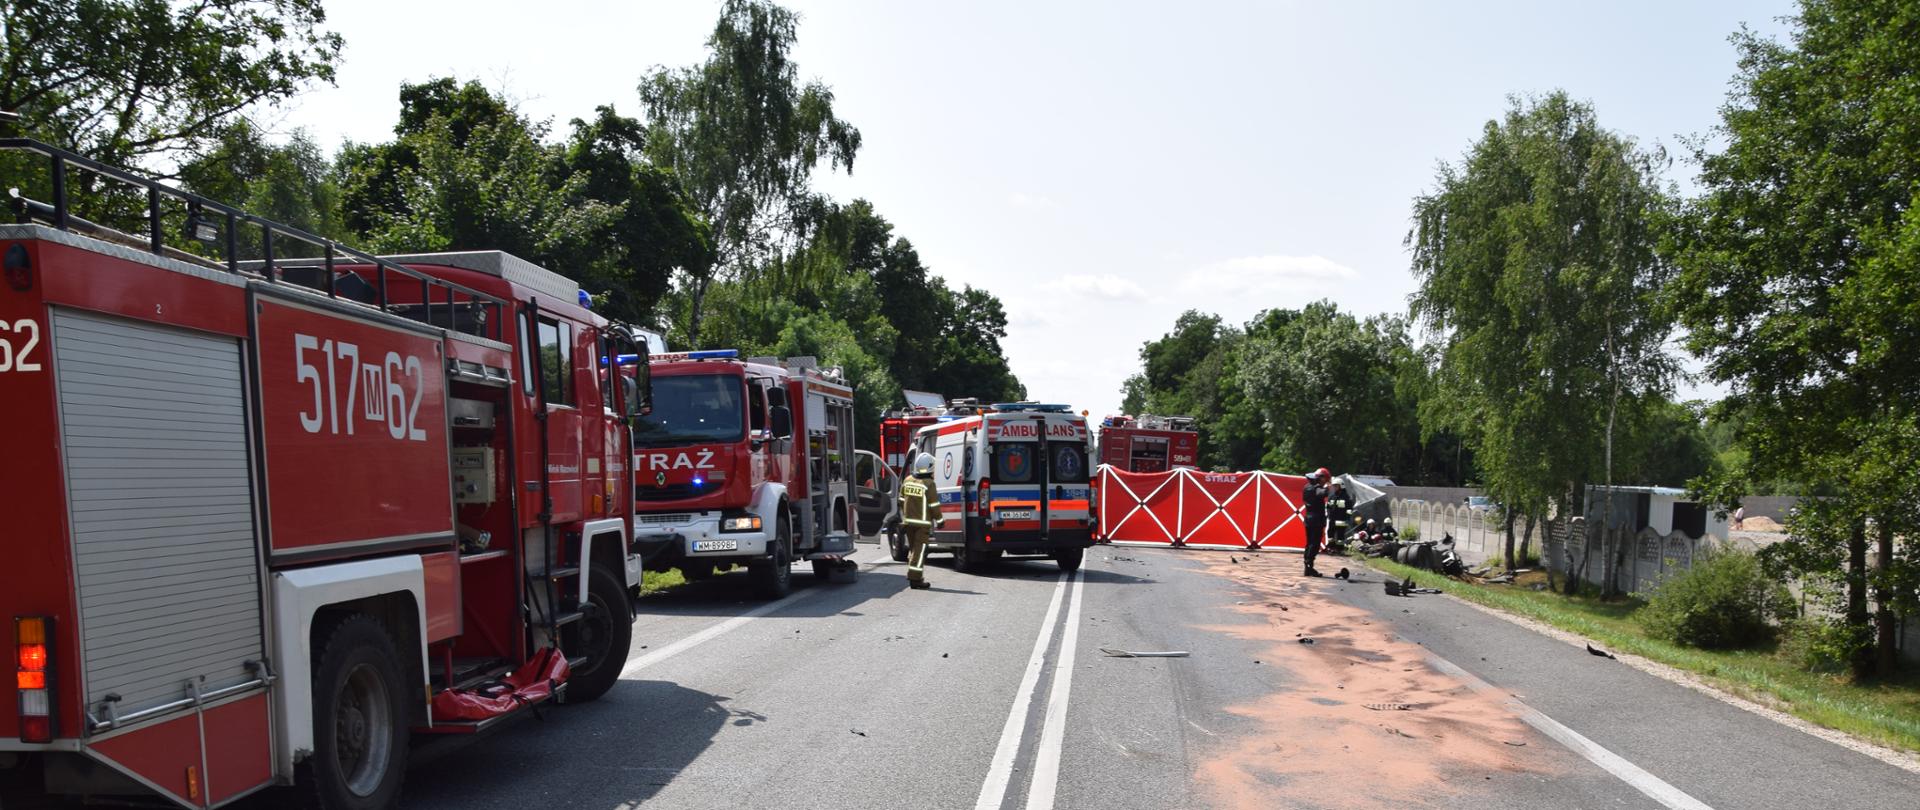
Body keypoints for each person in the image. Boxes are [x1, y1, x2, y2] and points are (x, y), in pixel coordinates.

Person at [898, 452, 945, 589]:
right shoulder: (929, 484)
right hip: (922, 525)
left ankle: (914, 574)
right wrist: (940, 520)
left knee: (914, 550)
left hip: (908, 523)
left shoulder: (907, 480)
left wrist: (906, 514)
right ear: (930, 467)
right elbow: (934, 505)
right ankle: (915, 579)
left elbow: (901, 500)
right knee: (919, 551)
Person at [1302, 467, 1330, 577]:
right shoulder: (1316, 488)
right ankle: (1309, 565)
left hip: (1308, 518)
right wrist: (1327, 489)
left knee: (1309, 543)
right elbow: (1321, 493)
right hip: (1316, 520)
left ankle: (1307, 567)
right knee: (1315, 544)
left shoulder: (1306, 487)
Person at [1328, 480, 1352, 550]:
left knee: (1340, 536)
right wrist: (1329, 515)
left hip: (1342, 520)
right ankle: (1331, 547)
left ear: (1341, 486)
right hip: (1332, 519)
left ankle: (1339, 549)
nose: (1334, 487)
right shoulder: (1332, 496)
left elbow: (1349, 509)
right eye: (1334, 486)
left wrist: (1347, 518)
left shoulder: (1346, 497)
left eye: (1336, 486)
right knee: (1330, 534)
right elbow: (1328, 507)